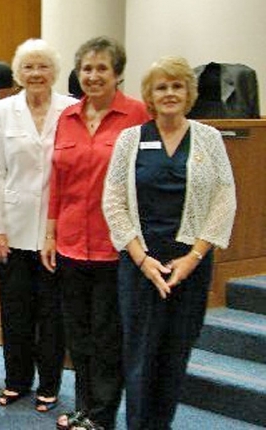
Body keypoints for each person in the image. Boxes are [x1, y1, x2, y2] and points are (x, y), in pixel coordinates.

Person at [102, 56, 236, 430]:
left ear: (189, 93)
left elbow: (225, 199)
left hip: (189, 265)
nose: (170, 93)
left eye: (177, 86)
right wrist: (142, 260)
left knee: (176, 353)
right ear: (150, 95)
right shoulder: (131, 139)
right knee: (140, 356)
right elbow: (112, 201)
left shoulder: (208, 138)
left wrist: (192, 258)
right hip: (139, 263)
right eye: (161, 87)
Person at [40, 36, 149, 430]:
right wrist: (50, 234)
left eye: (102, 68)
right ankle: (85, 407)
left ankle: (102, 416)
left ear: (117, 73)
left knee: (106, 336)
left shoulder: (137, 115)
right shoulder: (67, 117)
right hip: (70, 243)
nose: (93, 75)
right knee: (79, 335)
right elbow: (58, 181)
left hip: (114, 246)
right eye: (87, 68)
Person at [0, 38, 76, 412]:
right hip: (12, 228)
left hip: (58, 231)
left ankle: (49, 384)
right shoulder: (3, 110)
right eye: (29, 67)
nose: (36, 74)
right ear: (18, 73)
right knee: (16, 310)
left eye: (43, 67)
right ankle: (16, 381)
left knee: (52, 313)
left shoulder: (72, 109)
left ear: (54, 71)